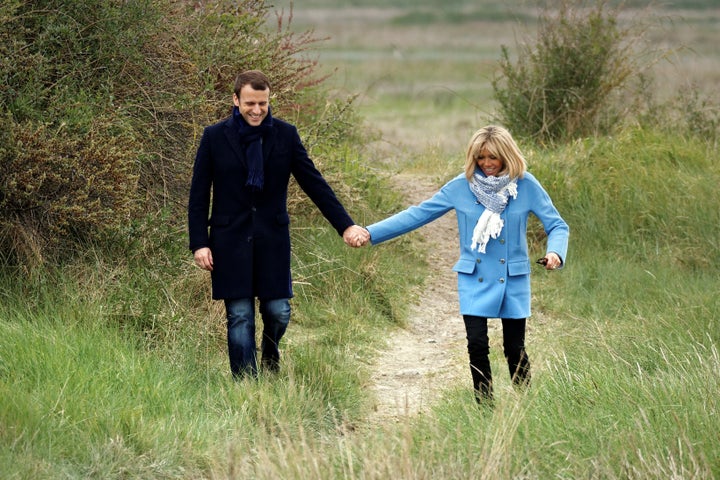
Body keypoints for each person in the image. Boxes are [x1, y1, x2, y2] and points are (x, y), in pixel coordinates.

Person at [360, 125, 568, 403]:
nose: (487, 164)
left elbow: (557, 225)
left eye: (493, 157)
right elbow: (417, 215)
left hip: (513, 277)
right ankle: (484, 406)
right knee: (477, 345)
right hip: (474, 276)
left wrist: (555, 253)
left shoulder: (525, 184)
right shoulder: (462, 186)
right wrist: (370, 232)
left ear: (507, 155)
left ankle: (526, 405)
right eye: (481, 158)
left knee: (514, 348)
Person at [188, 70, 369, 378]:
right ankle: (247, 388)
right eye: (250, 103)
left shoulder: (285, 135)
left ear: (269, 100)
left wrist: (346, 226)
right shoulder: (215, 137)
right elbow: (198, 194)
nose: (257, 110)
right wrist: (199, 243)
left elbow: (315, 184)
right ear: (235, 100)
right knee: (240, 315)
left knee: (278, 311)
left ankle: (270, 351)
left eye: (263, 103)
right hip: (229, 240)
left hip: (272, 240)